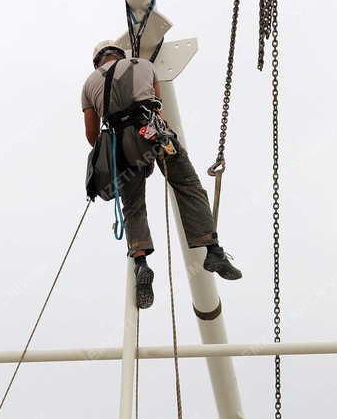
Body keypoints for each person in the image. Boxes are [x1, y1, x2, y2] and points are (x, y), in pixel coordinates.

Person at [82, 41, 242, 309]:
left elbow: (92, 135)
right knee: (186, 185)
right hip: (152, 131)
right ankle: (212, 249)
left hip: (120, 145)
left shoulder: (89, 84)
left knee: (133, 206)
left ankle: (142, 263)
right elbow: (158, 110)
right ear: (121, 54)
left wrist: (122, 155)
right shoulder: (145, 66)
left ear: (98, 61)